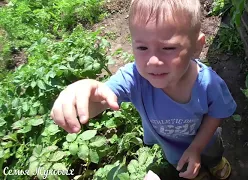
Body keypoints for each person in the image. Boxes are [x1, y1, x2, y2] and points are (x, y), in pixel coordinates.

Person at [50, 0, 237, 179]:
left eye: (168, 47)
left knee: (213, 155)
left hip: (207, 141)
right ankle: (196, 173)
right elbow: (102, 98)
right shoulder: (135, 79)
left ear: (196, 46)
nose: (153, 61)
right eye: (142, 47)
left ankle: (214, 163)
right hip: (172, 150)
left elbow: (216, 114)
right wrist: (84, 93)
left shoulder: (209, 83)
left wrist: (196, 148)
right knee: (183, 166)